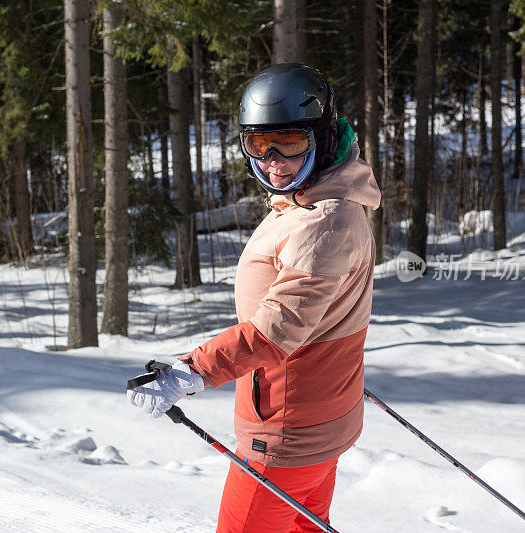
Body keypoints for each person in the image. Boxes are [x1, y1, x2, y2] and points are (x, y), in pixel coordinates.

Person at [127, 63, 381, 532]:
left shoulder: (323, 220)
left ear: (322, 139)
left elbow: (278, 327)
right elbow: (326, 312)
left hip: (286, 429)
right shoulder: (318, 200)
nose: (274, 161)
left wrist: (191, 371)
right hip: (316, 413)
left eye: (291, 142)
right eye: (259, 146)